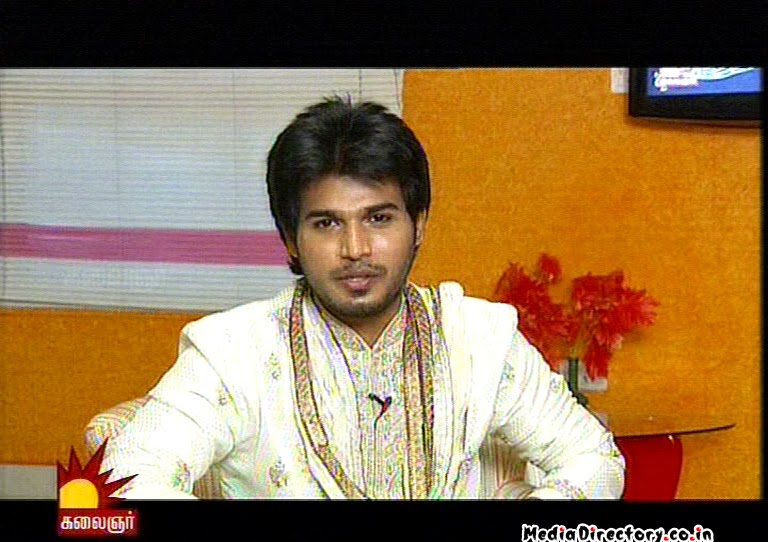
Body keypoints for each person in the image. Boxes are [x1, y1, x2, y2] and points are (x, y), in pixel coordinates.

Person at [99, 96, 625, 500]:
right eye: (326, 223)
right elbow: (127, 477)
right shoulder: (233, 351)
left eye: (378, 218)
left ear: (418, 225)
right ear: (290, 238)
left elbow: (595, 460)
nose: (355, 249)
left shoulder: (479, 340)